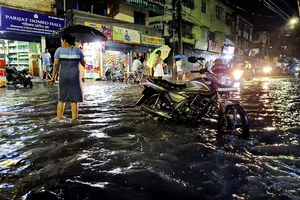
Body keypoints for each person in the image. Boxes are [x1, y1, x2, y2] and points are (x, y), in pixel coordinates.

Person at [48, 34, 85, 124]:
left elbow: (56, 64)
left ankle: (59, 118)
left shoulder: (59, 50)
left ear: (65, 41)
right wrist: (81, 51)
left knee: (62, 99)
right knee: (74, 99)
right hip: (75, 77)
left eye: (62, 41)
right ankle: (74, 119)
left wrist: (53, 77)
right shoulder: (78, 51)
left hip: (64, 76)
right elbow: (84, 64)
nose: (61, 42)